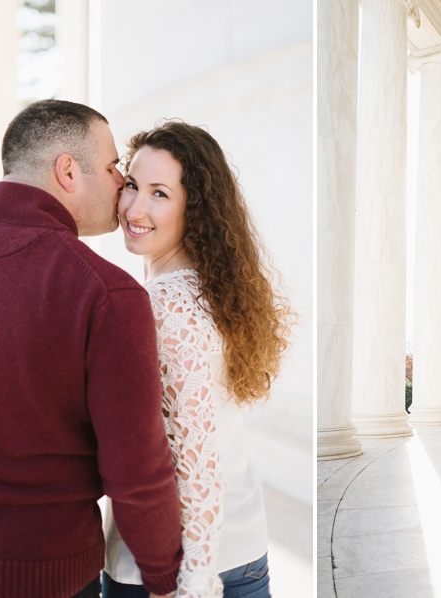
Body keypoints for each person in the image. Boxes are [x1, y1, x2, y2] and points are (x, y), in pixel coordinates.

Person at [0, 100, 183, 598]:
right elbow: (135, 467)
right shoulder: (106, 291)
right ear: (67, 171)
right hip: (47, 575)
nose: (121, 183)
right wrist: (163, 575)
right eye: (110, 167)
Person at [101, 120, 292, 598]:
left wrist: (192, 582)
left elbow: (196, 460)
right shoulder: (214, 290)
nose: (135, 208)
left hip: (174, 570)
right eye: (132, 186)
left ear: (196, 207)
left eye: (160, 193)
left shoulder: (164, 305)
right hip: (243, 548)